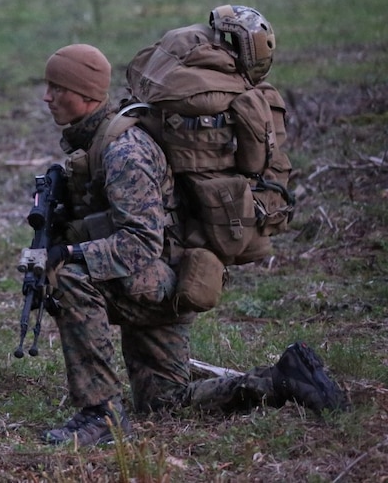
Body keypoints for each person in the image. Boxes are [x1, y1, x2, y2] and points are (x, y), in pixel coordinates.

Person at [36, 43, 348, 446]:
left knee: (72, 279)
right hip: (163, 277)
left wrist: (70, 254)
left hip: (159, 278)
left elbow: (140, 243)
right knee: (166, 404)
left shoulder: (123, 152)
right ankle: (281, 381)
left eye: (57, 87)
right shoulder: (101, 141)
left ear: (87, 93)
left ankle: (101, 415)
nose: (47, 97)